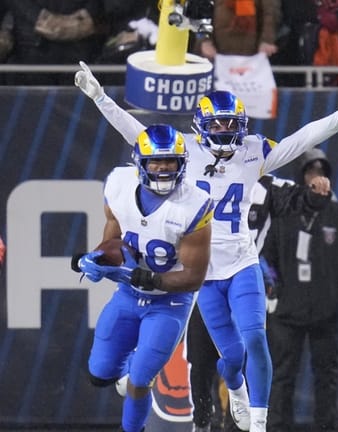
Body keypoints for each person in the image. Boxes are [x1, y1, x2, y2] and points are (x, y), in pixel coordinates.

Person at [74, 62, 338, 432]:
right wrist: (100, 97)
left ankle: (258, 422)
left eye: (230, 123)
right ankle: (230, 387)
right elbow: (135, 133)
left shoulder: (252, 151)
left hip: (239, 261)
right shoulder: (181, 150)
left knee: (253, 338)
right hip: (200, 271)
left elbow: (299, 140)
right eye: (217, 123)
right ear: (201, 125)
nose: (224, 129)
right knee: (226, 356)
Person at [71, 124, 213, 432]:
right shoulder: (119, 185)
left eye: (170, 161)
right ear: (140, 163)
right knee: (99, 374)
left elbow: (194, 278)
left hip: (170, 303)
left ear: (182, 164)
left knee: (140, 380)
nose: (163, 168)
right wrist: (95, 260)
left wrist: (148, 279)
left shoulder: (194, 206)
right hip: (127, 296)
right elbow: (112, 243)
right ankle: (129, 365)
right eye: (156, 161)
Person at [188, 173, 333, 432]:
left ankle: (245, 426)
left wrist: (313, 193)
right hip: (206, 278)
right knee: (201, 360)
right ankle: (202, 422)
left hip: (244, 278)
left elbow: (299, 198)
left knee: (253, 348)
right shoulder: (196, 170)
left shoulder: (265, 183)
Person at [260, 148, 338, 432]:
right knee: (281, 376)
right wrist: (273, 290)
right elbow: (266, 256)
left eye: (321, 172)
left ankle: (325, 428)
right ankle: (278, 428)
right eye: (310, 171)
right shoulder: (284, 212)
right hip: (287, 311)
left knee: (326, 376)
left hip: (326, 312)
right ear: (301, 176)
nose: (317, 178)